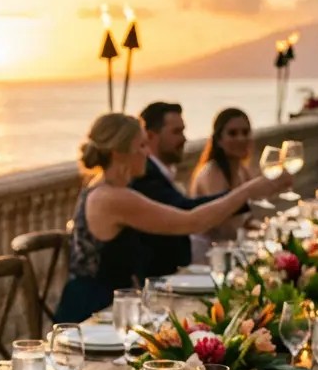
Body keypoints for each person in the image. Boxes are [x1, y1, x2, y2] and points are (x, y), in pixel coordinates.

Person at [54, 113, 287, 322]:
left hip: (114, 305)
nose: (147, 152)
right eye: (142, 145)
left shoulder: (106, 188)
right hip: (92, 313)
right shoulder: (112, 198)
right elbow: (191, 221)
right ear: (118, 153)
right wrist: (247, 191)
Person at [127, 101, 223, 277]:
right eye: (176, 132)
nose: (184, 138)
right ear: (150, 137)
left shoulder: (162, 172)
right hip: (157, 282)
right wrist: (245, 194)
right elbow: (187, 213)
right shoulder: (145, 177)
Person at [189, 107, 259, 263]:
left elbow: (248, 218)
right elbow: (224, 223)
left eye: (245, 132)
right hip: (208, 256)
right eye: (233, 133)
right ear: (219, 140)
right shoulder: (211, 173)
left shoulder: (242, 171)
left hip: (231, 252)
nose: (241, 138)